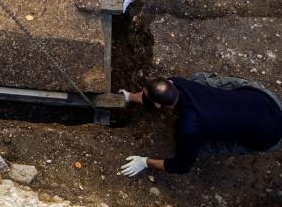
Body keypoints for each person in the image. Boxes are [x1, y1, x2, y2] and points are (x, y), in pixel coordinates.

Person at [117, 75, 282, 176]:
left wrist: (145, 162)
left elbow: (181, 166)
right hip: (265, 100)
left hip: (271, 137)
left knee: (201, 147)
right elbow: (152, 96)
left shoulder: (188, 128)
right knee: (198, 79)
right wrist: (129, 96)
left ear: (159, 106)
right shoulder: (177, 82)